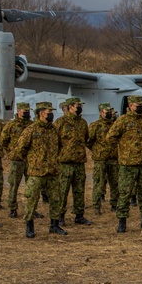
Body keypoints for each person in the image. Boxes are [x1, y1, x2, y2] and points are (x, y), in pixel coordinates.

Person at [107, 95, 142, 233]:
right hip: (128, 164)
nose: (140, 106)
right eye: (137, 104)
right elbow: (110, 138)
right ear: (130, 106)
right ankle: (122, 221)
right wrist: (123, 150)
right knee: (125, 193)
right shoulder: (122, 121)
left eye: (141, 104)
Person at [14, 102, 63, 237]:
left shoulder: (54, 129)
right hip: (36, 172)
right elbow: (20, 149)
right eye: (49, 113)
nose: (51, 115)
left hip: (52, 170)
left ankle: (54, 225)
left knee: (55, 198)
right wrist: (32, 161)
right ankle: (30, 226)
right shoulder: (31, 130)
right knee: (32, 198)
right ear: (41, 113)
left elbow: (60, 146)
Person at [53, 97, 91, 226]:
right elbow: (54, 141)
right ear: (70, 107)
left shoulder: (83, 123)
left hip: (79, 162)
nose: (80, 108)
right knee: (62, 191)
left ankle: (79, 215)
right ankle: (60, 216)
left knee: (79, 190)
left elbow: (86, 138)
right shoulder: (60, 122)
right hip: (65, 163)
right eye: (77, 105)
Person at [1, 102, 33, 218]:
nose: (26, 113)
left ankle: (31, 208)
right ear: (18, 111)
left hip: (30, 160)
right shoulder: (11, 125)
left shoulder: (32, 125)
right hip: (17, 160)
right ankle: (12, 208)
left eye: (27, 111)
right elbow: (3, 140)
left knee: (32, 186)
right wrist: (11, 152)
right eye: (24, 111)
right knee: (14, 185)